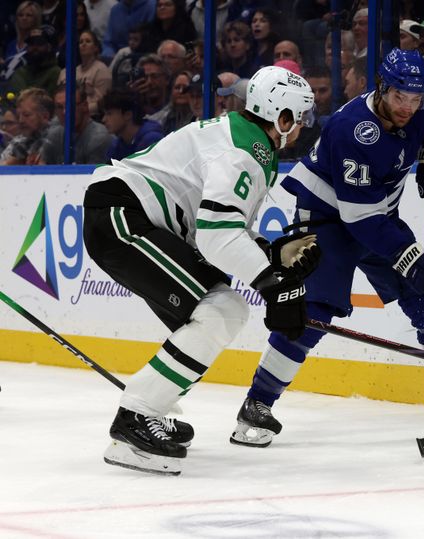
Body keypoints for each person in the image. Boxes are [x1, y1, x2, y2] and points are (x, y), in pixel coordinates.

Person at [233, 49, 424, 449]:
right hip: (326, 218)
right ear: (381, 88)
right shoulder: (351, 129)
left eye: (415, 98)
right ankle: (257, 404)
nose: (408, 107)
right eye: (399, 98)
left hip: (375, 214)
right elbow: (360, 220)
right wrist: (410, 257)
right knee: (314, 311)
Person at [83, 66, 321, 475]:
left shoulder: (243, 138)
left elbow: (224, 229)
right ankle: (135, 418)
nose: (301, 127)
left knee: (216, 310)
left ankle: (150, 409)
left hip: (130, 216)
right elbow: (216, 236)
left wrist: (272, 256)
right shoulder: (244, 151)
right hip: (123, 216)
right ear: (282, 118)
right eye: (299, 118)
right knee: (222, 308)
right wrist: (270, 281)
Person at [45, 84, 113, 164]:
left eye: (70, 105)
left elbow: (95, 175)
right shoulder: (54, 136)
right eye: (59, 107)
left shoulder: (99, 138)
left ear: (85, 106)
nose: (64, 112)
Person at [57, 30, 112, 117]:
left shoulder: (102, 70)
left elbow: (101, 103)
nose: (83, 44)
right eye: (81, 42)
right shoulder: (66, 72)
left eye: (88, 41)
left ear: (96, 47)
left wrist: (77, 111)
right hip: (66, 114)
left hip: (92, 116)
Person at [0, 87, 58, 165]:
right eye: (18, 116)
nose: (20, 121)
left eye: (26, 115)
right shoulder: (20, 142)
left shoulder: (58, 139)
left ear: (45, 116)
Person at [102, 89, 164, 161]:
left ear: (128, 115)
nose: (103, 119)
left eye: (109, 114)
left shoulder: (152, 140)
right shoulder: (115, 146)